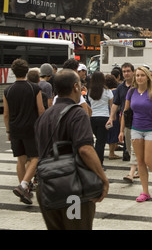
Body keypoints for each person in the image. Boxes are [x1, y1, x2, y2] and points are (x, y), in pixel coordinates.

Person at [34, 69, 108, 229]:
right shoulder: (77, 114)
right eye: (81, 84)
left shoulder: (44, 117)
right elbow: (85, 149)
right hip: (72, 190)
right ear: (75, 87)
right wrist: (103, 179)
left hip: (47, 188)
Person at [119, 67, 152, 201]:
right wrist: (121, 130)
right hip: (136, 129)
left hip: (151, 129)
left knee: (149, 161)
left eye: (142, 75)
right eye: (137, 75)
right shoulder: (131, 92)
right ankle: (145, 192)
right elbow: (125, 112)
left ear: (147, 77)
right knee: (140, 161)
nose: (139, 78)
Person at [3, 59, 45, 205]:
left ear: (13, 72)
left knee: (21, 159)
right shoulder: (34, 88)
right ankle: (23, 186)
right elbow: (41, 110)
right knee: (36, 157)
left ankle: (24, 189)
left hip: (15, 129)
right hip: (30, 128)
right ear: (26, 71)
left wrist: (8, 129)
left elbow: (6, 113)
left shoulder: (7, 90)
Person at [106, 63, 135, 169]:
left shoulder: (139, 85)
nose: (126, 73)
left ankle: (136, 167)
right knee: (128, 145)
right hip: (126, 119)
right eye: (124, 71)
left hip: (139, 118)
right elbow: (115, 104)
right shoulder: (120, 88)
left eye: (128, 71)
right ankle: (135, 166)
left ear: (133, 72)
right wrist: (111, 118)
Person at [88, 71, 114, 166]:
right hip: (104, 118)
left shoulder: (90, 91)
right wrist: (112, 118)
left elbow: (89, 104)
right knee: (101, 142)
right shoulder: (107, 91)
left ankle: (94, 161)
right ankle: (99, 163)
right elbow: (112, 106)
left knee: (97, 140)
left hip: (92, 118)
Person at [105, 74, 121, 160]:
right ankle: (112, 152)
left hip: (105, 114)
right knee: (114, 133)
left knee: (109, 132)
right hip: (114, 115)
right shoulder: (116, 91)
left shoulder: (104, 91)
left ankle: (112, 150)